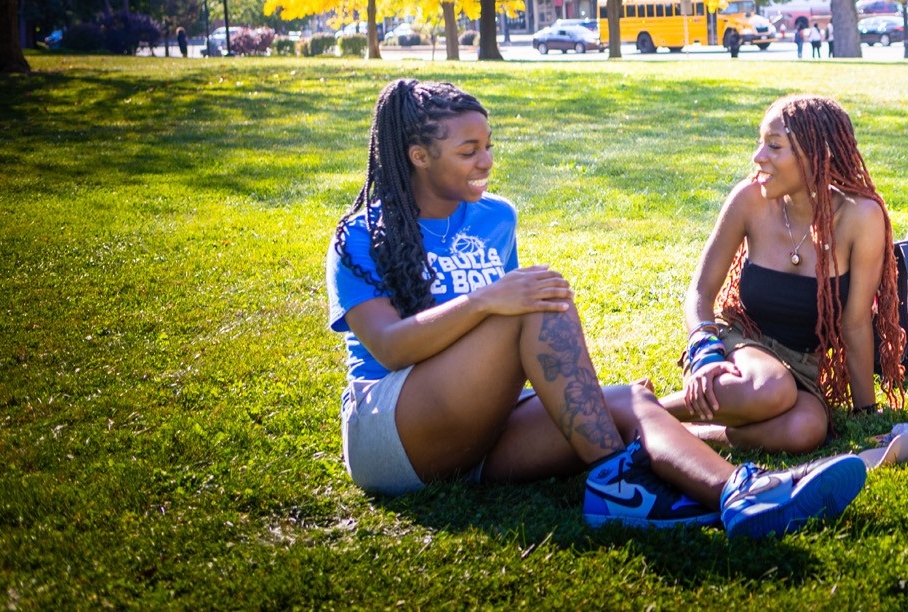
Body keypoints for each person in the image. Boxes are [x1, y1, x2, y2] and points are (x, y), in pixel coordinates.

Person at [327, 79, 867, 538]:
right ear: (419, 157)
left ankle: (743, 494)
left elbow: (506, 347)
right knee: (537, 300)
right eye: (469, 152)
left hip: (481, 431)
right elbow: (390, 347)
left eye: (489, 145)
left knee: (631, 402)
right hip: (393, 436)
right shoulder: (360, 235)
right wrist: (485, 300)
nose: (486, 162)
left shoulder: (495, 217)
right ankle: (618, 485)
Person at [665, 95, 906, 454]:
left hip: (800, 367)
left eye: (774, 146)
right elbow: (700, 292)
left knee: (807, 429)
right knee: (772, 387)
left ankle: (683, 434)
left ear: (817, 156)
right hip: (736, 343)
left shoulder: (860, 217)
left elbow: (854, 323)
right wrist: (704, 351)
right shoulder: (749, 200)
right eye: (761, 143)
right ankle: (638, 409)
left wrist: (865, 409)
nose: (758, 157)